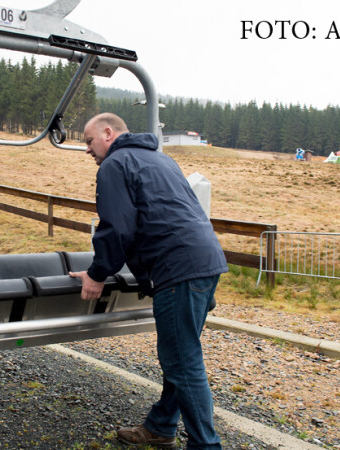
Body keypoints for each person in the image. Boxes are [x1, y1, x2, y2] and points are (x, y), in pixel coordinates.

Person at [69, 113, 228, 449]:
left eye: (88, 141)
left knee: (182, 362)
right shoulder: (161, 160)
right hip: (206, 263)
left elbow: (117, 228)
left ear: (108, 133)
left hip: (178, 270)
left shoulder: (115, 165)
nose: (88, 150)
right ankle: (160, 427)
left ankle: (206, 445)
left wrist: (97, 274)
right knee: (182, 355)